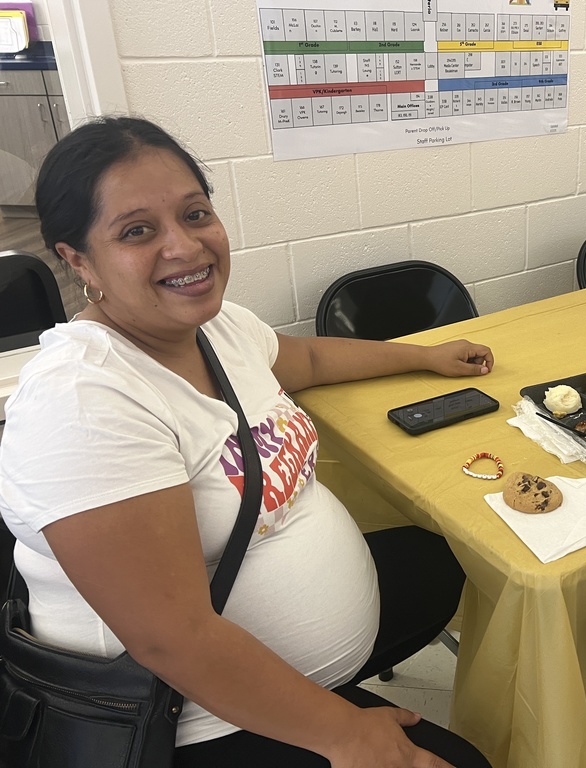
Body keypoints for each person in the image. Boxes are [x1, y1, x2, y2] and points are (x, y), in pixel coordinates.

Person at [0, 116, 494, 768]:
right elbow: (172, 640)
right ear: (77, 259)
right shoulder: (84, 402)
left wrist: (424, 356)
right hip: (183, 722)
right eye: (137, 231)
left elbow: (309, 359)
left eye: (195, 213)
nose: (184, 246)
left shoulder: (217, 328)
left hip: (259, 666)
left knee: (449, 558)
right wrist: (345, 734)